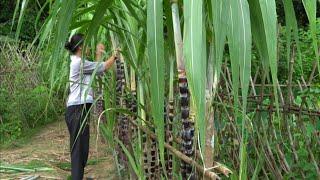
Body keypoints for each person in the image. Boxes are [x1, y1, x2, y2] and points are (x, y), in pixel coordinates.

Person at [64, 33, 117, 180]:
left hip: (80, 111)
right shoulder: (78, 63)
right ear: (80, 46)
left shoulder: (81, 62)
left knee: (82, 150)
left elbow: (95, 71)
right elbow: (103, 68)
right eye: (86, 44)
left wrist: (98, 54)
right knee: (78, 151)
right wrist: (115, 55)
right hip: (77, 111)